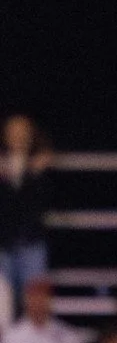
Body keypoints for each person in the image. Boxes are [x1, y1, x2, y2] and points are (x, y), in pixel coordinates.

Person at [0, 114, 56, 296]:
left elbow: (44, 202)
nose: (18, 136)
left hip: (32, 243)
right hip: (3, 244)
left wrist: (35, 174)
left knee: (33, 298)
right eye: (13, 131)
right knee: (3, 301)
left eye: (23, 131)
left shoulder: (42, 163)